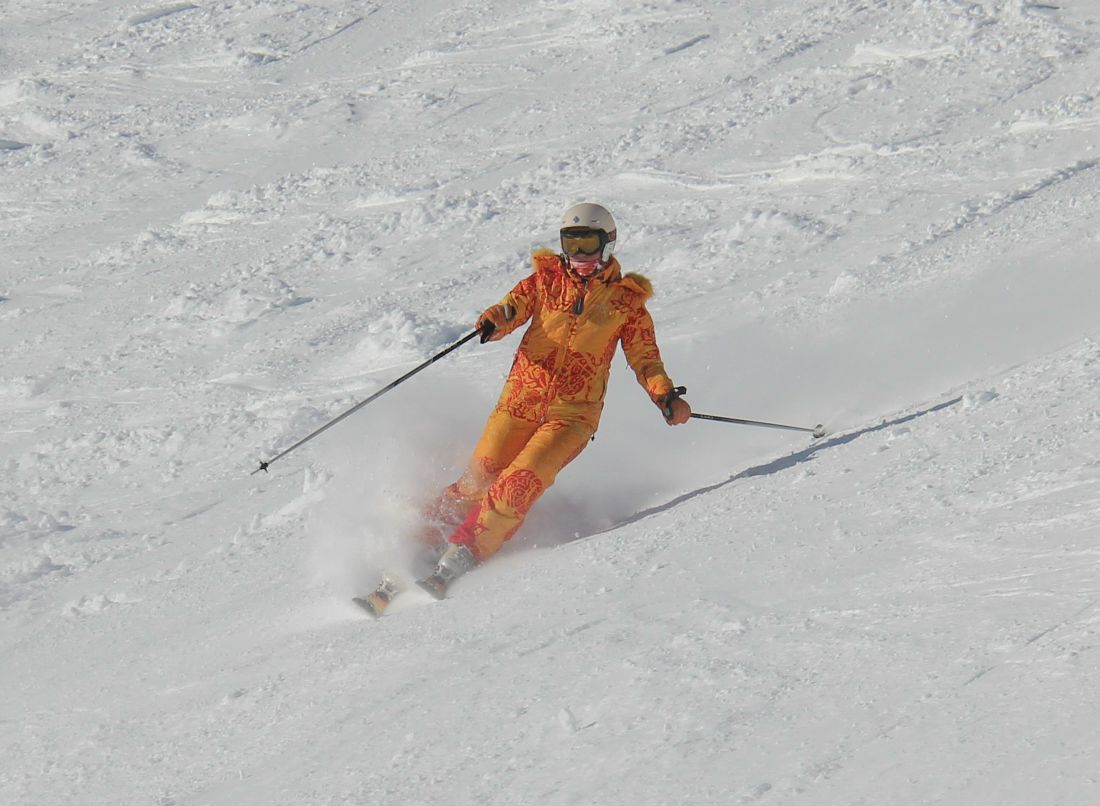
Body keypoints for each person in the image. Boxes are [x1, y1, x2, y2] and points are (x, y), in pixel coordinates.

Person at [416, 202, 691, 597]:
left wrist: (664, 395)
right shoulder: (543, 282)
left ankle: (461, 555)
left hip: (572, 417)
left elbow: (645, 358)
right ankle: (421, 538)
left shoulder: (626, 304)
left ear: (608, 244)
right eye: (571, 244)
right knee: (479, 480)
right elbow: (513, 308)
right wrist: (494, 321)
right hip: (519, 403)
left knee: (518, 483)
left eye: (588, 244)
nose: (579, 254)